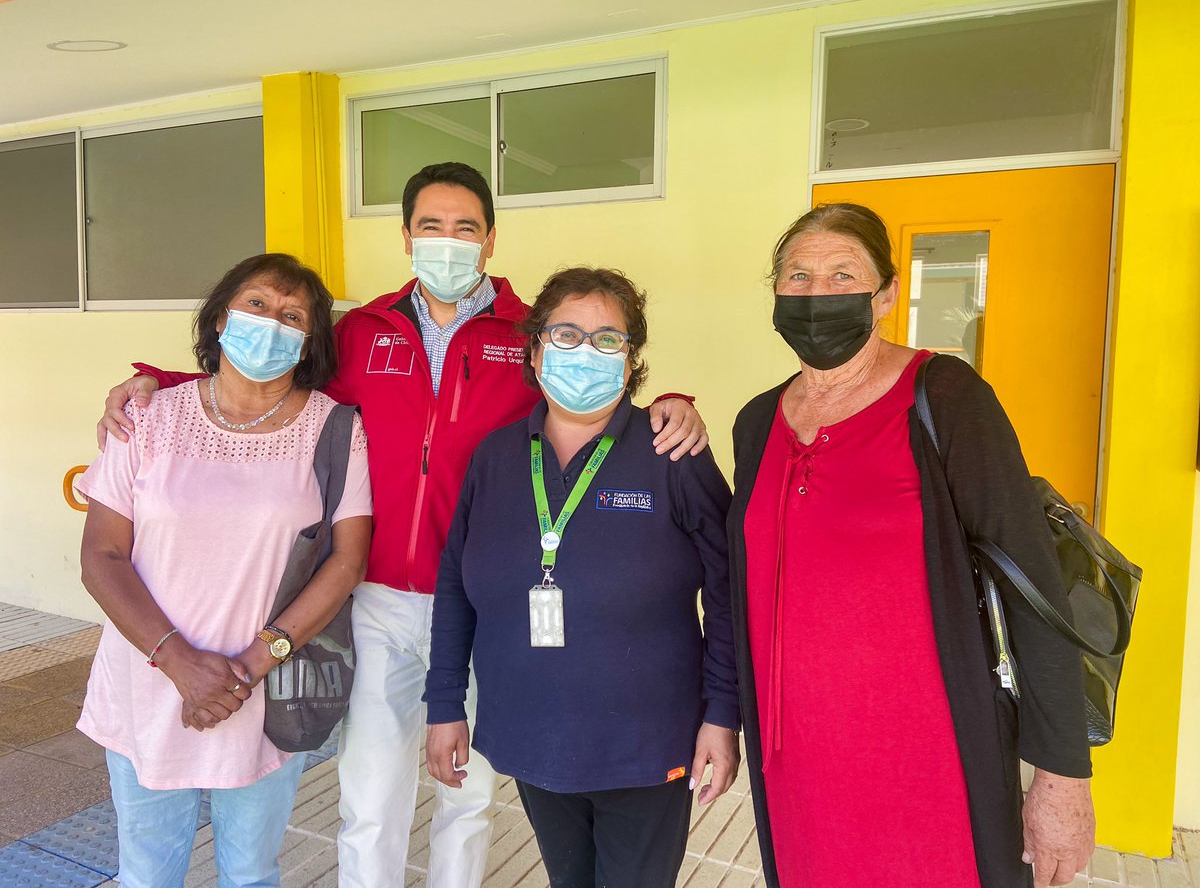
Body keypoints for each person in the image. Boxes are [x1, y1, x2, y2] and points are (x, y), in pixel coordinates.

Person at [96, 162, 710, 888]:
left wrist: (670, 400)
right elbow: (272, 379)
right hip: (377, 596)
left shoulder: (528, 334)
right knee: (370, 795)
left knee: (469, 795)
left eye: (465, 227)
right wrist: (159, 383)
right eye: (431, 226)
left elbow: (587, 395)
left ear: (489, 240)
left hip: (486, 604)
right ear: (407, 236)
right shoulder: (363, 332)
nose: (448, 240)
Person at [727, 203, 1095, 888]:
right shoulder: (756, 423)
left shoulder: (945, 397)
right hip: (797, 759)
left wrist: (1062, 774)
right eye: (798, 276)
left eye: (843, 275)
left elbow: (1034, 587)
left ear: (888, 294)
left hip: (928, 757)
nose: (817, 293)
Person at [424, 267, 740, 888]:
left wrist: (722, 714)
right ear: (535, 350)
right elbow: (456, 586)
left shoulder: (673, 452)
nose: (585, 351)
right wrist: (444, 706)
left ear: (631, 360)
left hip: (646, 742)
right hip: (531, 734)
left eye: (607, 339)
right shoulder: (496, 457)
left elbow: (730, 590)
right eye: (566, 334)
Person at [77, 254, 372, 888]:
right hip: (148, 682)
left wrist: (251, 667)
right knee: (147, 874)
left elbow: (348, 561)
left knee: (250, 873)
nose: (271, 323)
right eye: (257, 304)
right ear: (220, 318)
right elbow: (101, 556)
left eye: (293, 316)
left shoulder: (336, 430)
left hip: (262, 691)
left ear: (310, 341)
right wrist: (179, 661)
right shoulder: (146, 417)